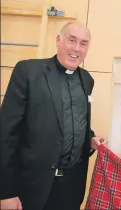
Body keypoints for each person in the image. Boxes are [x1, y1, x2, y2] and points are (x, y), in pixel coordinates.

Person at [0, 22, 108, 210]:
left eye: (83, 43)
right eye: (72, 40)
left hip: (71, 188)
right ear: (58, 40)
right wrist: (5, 192)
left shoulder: (87, 79)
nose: (76, 48)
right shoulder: (28, 72)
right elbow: (5, 135)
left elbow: (76, 120)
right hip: (30, 187)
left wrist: (90, 139)